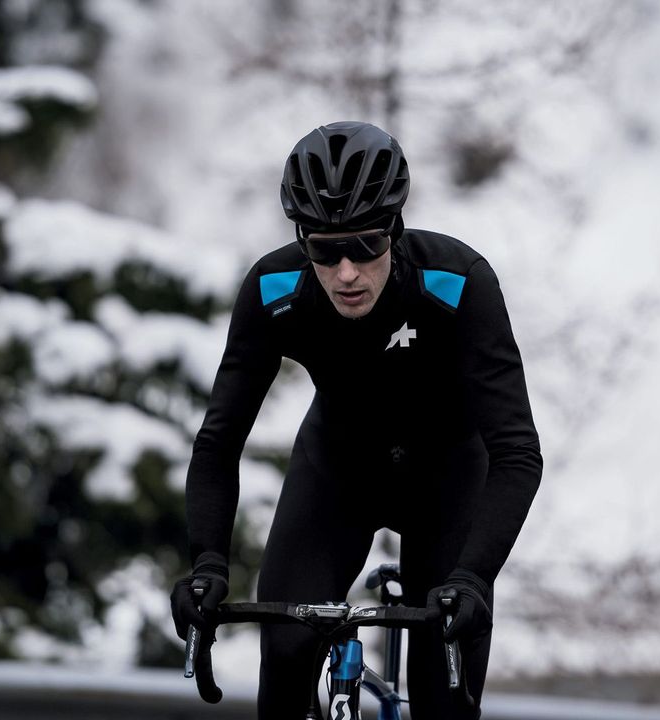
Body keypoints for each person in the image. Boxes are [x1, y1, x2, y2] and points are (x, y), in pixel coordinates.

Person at [170, 121, 543, 719]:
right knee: (287, 659)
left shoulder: (459, 282)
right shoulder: (273, 288)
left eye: (366, 245)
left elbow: (519, 452)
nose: (346, 272)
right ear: (301, 240)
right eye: (323, 249)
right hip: (337, 474)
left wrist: (473, 577)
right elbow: (218, 443)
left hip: (447, 483)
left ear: (395, 229)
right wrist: (206, 564)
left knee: (443, 694)